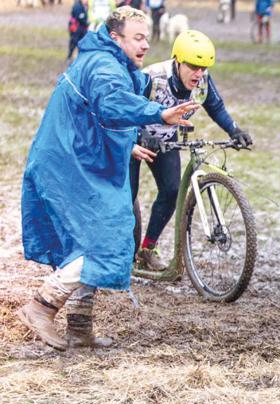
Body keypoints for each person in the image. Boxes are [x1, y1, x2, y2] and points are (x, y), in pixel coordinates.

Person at [17, 6, 198, 351]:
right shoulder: (104, 67)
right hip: (67, 164)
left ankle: (79, 328)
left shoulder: (109, 61)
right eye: (137, 38)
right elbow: (112, 102)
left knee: (98, 235)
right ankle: (41, 306)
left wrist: (128, 142)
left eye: (147, 37)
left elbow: (95, 112)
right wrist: (159, 113)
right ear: (115, 38)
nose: (145, 45)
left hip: (72, 157)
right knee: (107, 237)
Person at [130, 30, 253, 271]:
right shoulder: (151, 77)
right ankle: (122, 251)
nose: (199, 73)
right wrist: (138, 135)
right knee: (127, 196)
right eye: (194, 66)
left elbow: (216, 107)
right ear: (178, 61)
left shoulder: (203, 81)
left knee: (172, 191)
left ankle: (147, 249)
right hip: (133, 140)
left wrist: (235, 130)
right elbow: (125, 110)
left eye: (204, 67)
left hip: (166, 140)